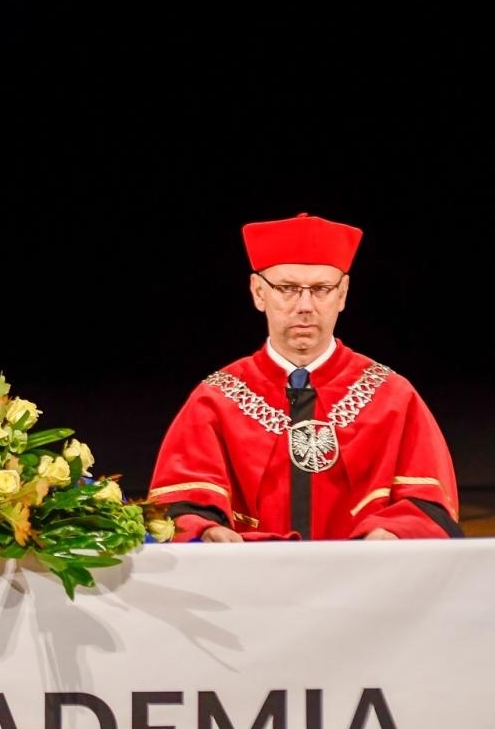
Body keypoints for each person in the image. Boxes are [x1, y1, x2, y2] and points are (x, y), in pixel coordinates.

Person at [148, 212, 462, 542]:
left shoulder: (392, 397)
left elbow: (430, 505)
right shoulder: (215, 400)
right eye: (287, 288)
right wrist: (207, 531)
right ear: (258, 292)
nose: (305, 306)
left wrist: (394, 532)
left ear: (343, 294)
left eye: (322, 289)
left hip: (365, 582)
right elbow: (176, 507)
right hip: (249, 584)